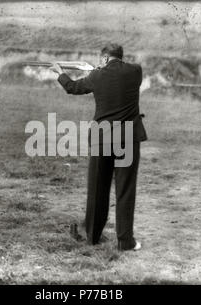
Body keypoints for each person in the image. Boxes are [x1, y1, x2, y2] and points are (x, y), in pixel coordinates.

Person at [50, 43, 147, 251]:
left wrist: (60, 73)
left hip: (101, 139)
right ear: (120, 57)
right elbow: (122, 73)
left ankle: (92, 237)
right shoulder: (135, 72)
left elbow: (72, 88)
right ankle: (125, 241)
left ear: (104, 58)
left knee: (97, 189)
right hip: (128, 139)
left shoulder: (97, 76)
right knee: (125, 191)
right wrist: (99, 69)